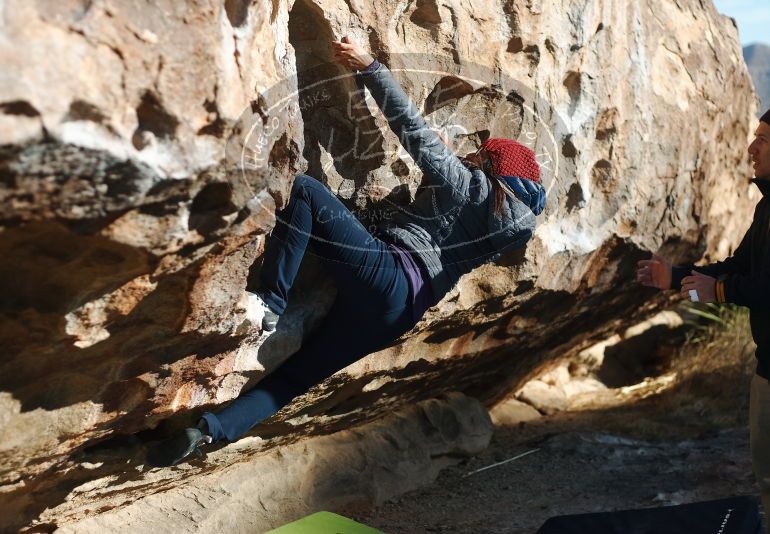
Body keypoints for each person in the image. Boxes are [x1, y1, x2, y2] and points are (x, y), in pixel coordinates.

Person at [147, 36, 546, 467]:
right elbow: (448, 228)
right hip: (402, 313)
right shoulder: (508, 231)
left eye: (477, 153)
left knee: (304, 191)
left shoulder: (466, 184)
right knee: (295, 379)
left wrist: (370, 66)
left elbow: (409, 126)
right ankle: (208, 431)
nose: (468, 153)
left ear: (489, 166)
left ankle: (270, 302)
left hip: (386, 272)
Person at [637, 101, 770, 533]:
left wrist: (721, 291)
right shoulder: (768, 210)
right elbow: (740, 266)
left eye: (763, 139)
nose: (751, 147)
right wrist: (673, 277)